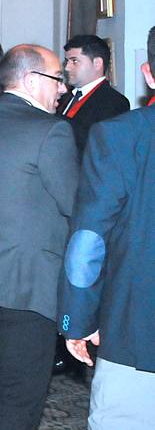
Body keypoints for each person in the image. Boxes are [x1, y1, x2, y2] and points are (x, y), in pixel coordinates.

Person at [0, 43, 76, 429]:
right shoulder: (51, 130)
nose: (62, 88)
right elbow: (74, 205)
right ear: (30, 80)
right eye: (57, 78)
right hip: (28, 290)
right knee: (21, 398)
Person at [59, 26, 155, 429]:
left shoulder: (120, 135)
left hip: (136, 329)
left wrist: (78, 319)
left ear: (148, 74)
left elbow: (89, 241)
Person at [58, 34, 129, 153]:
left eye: (74, 61)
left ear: (97, 63)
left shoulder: (115, 102)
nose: (67, 68)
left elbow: (100, 144)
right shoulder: (63, 97)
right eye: (67, 61)